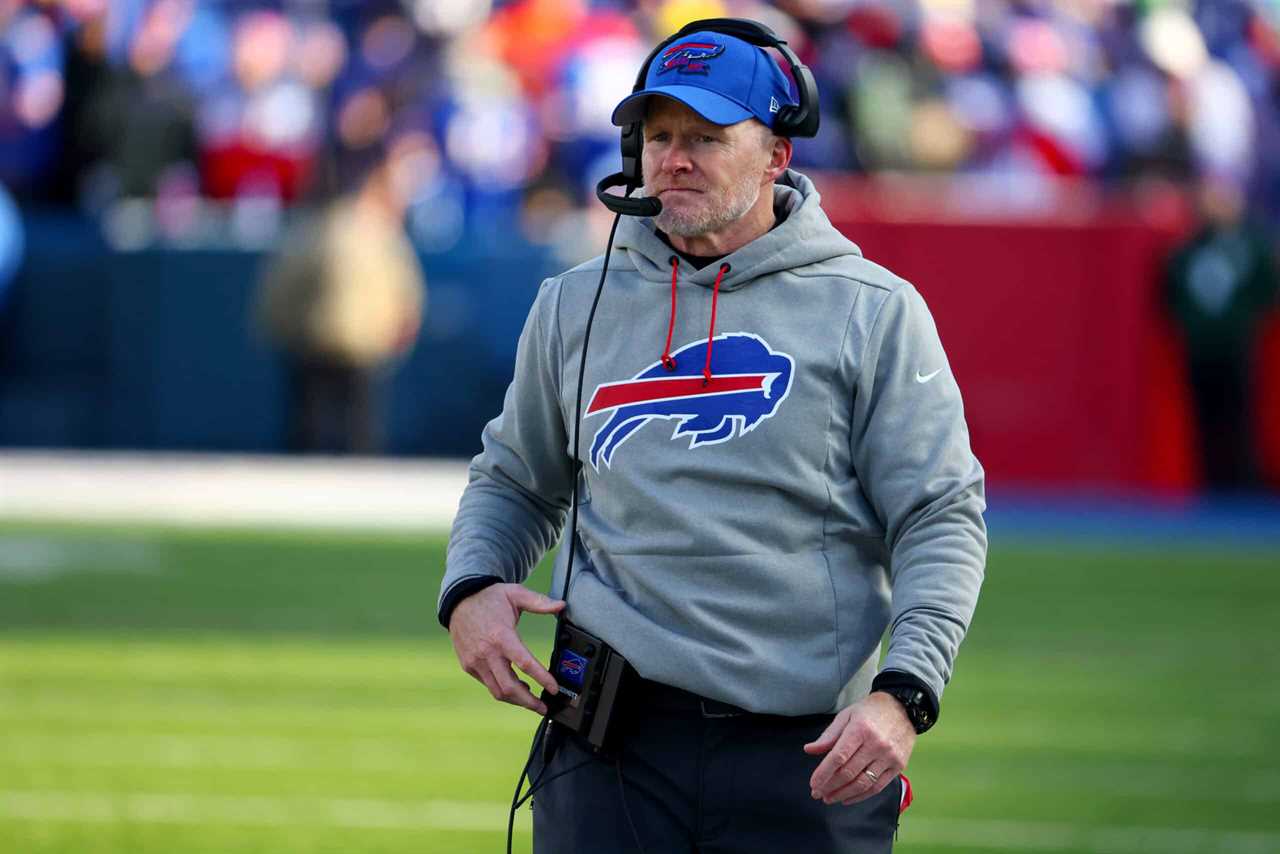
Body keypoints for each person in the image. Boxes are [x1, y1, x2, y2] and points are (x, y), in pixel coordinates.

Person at [438, 25, 986, 852]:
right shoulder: (572, 302)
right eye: (658, 136)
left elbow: (939, 517)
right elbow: (516, 480)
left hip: (805, 751)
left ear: (775, 155)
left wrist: (905, 694)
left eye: (705, 137)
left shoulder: (874, 310)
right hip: (607, 746)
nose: (674, 158)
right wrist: (472, 587)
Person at [256, 151, 426, 454]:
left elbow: (279, 289)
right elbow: (406, 292)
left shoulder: (309, 230)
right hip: (356, 343)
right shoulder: (377, 232)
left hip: (317, 340)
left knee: (315, 426)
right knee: (354, 428)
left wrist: (278, 328)